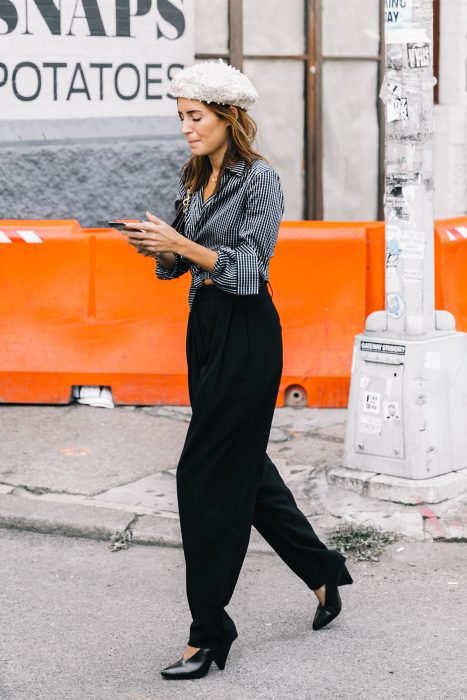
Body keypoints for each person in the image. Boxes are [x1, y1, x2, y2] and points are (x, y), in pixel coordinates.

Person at [123, 60, 353, 681]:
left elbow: (251, 271)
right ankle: (324, 571)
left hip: (249, 336)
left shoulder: (260, 180)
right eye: (181, 118)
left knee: (204, 477)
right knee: (248, 475)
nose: (186, 129)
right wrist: (157, 246)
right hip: (205, 333)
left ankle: (209, 632)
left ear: (228, 116)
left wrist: (184, 246)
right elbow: (178, 270)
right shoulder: (195, 175)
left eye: (195, 117)